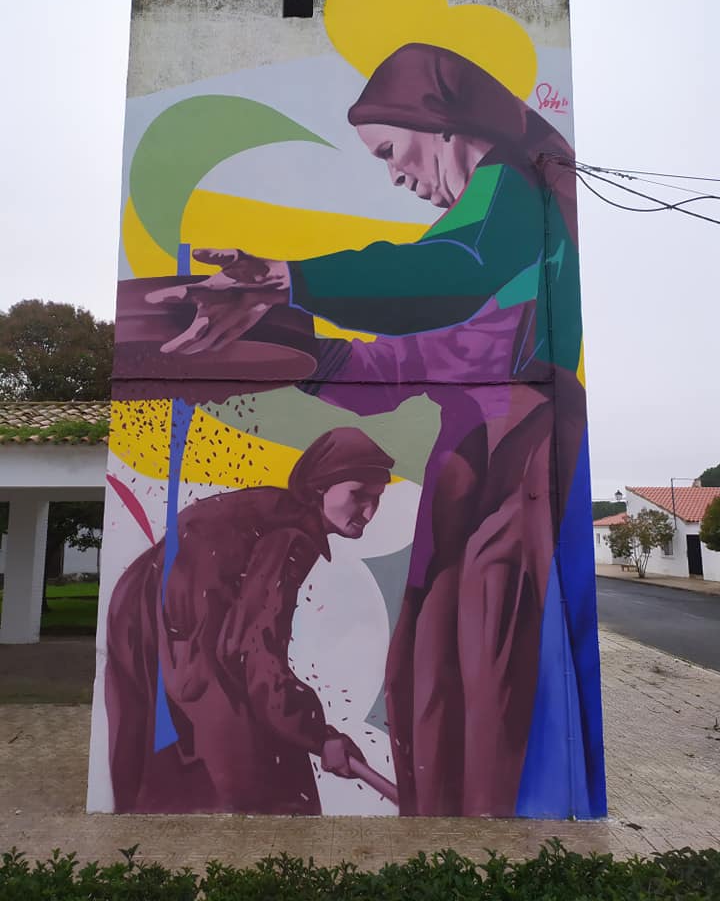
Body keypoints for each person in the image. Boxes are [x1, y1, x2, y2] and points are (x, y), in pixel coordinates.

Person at [123, 43, 602, 818]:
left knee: (487, 668)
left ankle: (502, 844)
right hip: (474, 475)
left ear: (442, 123)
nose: (396, 177)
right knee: (430, 675)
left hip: (521, 471)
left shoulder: (511, 194)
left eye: (389, 151)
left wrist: (292, 278)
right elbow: (423, 356)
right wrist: (297, 339)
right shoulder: (494, 234)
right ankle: (458, 837)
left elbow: (448, 270)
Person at [105, 427, 395, 814]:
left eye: (377, 499)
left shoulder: (274, 512)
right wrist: (318, 735)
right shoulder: (287, 536)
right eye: (358, 494)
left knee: (176, 776)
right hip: (185, 643)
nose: (369, 512)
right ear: (320, 487)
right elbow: (254, 655)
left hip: (155, 634)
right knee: (272, 791)